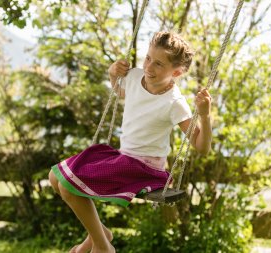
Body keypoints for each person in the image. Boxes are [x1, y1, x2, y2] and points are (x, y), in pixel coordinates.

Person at [48, 31, 212, 253]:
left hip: (144, 167)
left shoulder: (175, 103)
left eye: (158, 64)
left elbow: (202, 147)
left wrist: (204, 115)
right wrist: (112, 74)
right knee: (55, 177)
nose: (149, 67)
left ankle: (103, 247)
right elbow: (121, 92)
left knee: (68, 187)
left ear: (177, 71)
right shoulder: (135, 76)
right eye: (148, 58)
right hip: (123, 157)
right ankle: (102, 236)